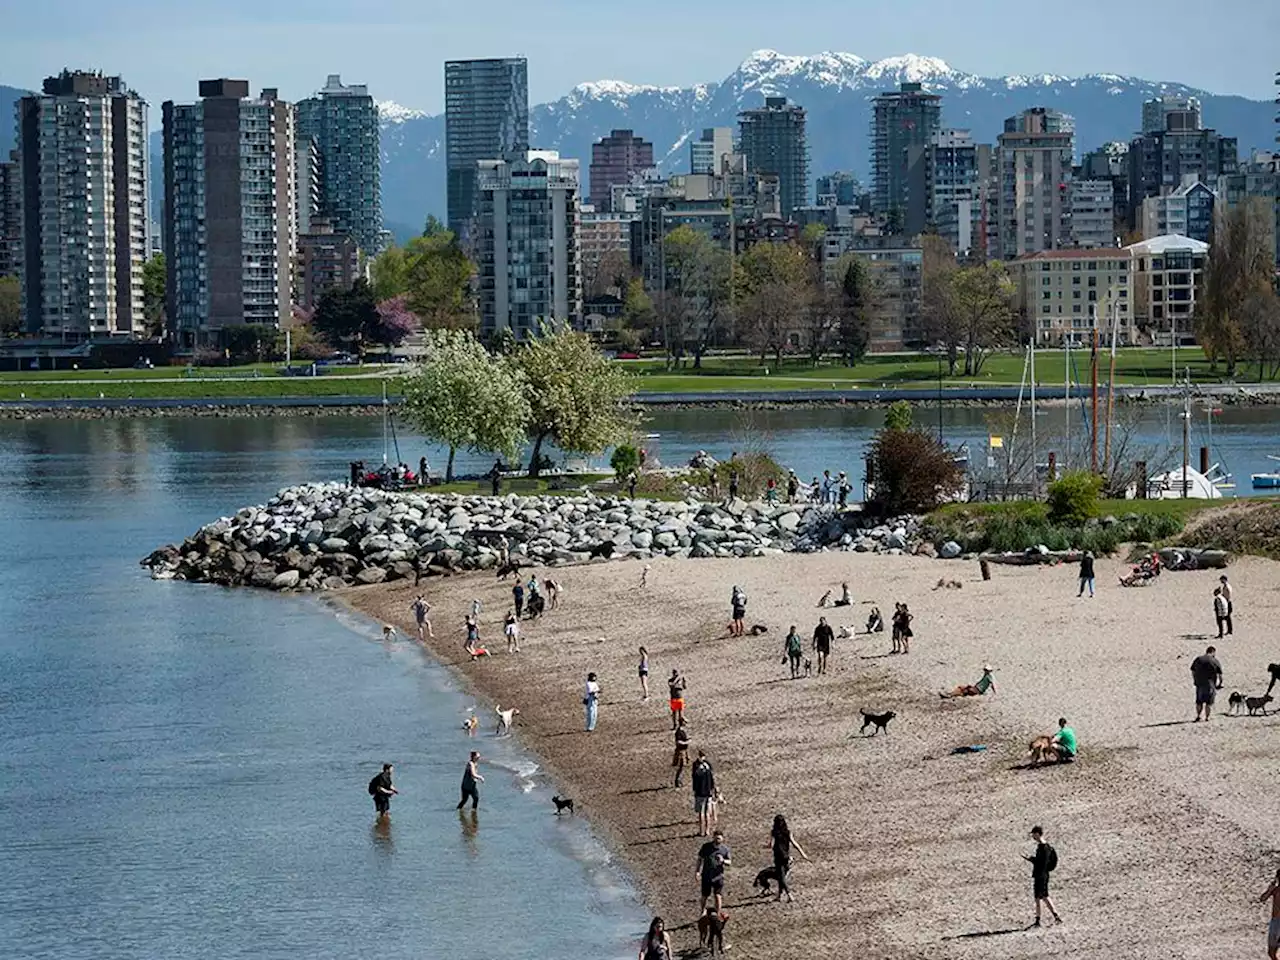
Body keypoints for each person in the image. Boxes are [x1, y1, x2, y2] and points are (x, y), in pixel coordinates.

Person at [766, 813, 811, 903]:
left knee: (781, 877)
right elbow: (795, 844)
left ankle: (789, 895)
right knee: (781, 875)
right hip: (786, 856)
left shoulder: (774, 832)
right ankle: (779, 895)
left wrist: (765, 846)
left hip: (778, 856)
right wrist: (803, 854)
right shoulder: (788, 832)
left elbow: (771, 845)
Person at [1024, 826, 1061, 926]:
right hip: (1043, 874)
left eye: (1033, 834)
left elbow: (1042, 863)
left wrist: (1032, 859)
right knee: (1041, 897)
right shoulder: (1047, 847)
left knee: (1042, 896)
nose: (1032, 836)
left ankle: (1044, 919)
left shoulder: (1043, 848)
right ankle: (1044, 918)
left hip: (1041, 875)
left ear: (1037, 834)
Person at [696, 829, 732, 915]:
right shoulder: (706, 847)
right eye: (716, 838)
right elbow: (700, 859)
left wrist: (723, 861)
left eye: (719, 838)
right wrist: (697, 871)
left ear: (722, 839)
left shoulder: (725, 849)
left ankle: (718, 913)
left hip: (718, 876)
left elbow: (729, 862)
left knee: (718, 895)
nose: (717, 840)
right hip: (706, 876)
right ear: (713, 838)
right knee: (704, 896)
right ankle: (702, 911)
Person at [1191, 645, 1223, 721]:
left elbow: (1192, 671)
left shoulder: (1198, 659)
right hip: (1210, 684)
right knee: (1209, 702)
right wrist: (1220, 683)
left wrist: (1195, 679)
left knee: (1199, 701)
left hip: (1199, 683)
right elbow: (1220, 675)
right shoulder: (1215, 661)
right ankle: (1207, 717)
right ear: (1213, 652)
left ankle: (1198, 716)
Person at [692, 750, 716, 836]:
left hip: (700, 792)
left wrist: (694, 790)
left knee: (701, 813)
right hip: (708, 792)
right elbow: (712, 778)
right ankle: (707, 830)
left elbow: (694, 779)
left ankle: (701, 831)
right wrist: (712, 789)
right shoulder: (708, 765)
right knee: (707, 813)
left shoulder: (696, 765)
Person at [1258, 867, 1280, 960]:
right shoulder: (1275, 890)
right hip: (1274, 921)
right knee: (1271, 952)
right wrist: (1269, 889)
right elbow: (1262, 899)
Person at [672, 717, 690, 788]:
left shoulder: (682, 731)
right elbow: (678, 742)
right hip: (680, 751)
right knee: (681, 766)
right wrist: (686, 742)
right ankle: (677, 781)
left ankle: (679, 780)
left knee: (682, 767)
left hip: (684, 751)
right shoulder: (679, 731)